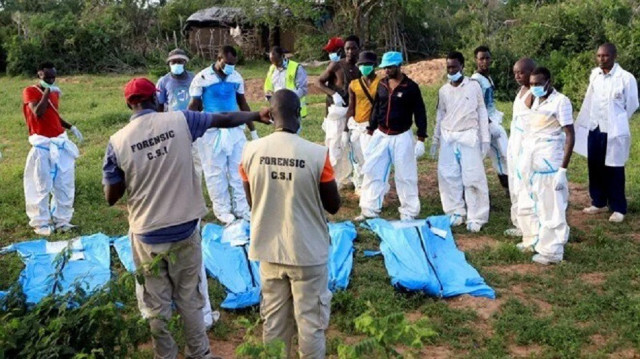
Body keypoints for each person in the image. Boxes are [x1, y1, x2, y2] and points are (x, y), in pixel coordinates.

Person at [103, 77, 271, 359]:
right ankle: (200, 353)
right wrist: (255, 115)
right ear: (156, 100)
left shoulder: (117, 142)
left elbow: (111, 196)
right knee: (190, 298)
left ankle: (165, 354)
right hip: (184, 228)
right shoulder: (180, 121)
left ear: (128, 104)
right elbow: (224, 117)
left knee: (156, 304)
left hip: (147, 234)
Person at [239, 89, 341, 358]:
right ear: (298, 113)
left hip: (269, 251)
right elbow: (333, 205)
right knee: (310, 324)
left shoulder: (250, 151)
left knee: (273, 322)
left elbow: (253, 203)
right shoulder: (318, 154)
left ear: (270, 116)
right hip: (307, 253)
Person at [154, 48, 216, 328]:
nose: (177, 65)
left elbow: (198, 104)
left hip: (190, 128)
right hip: (170, 131)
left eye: (181, 62)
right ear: (168, 64)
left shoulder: (195, 79)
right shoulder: (163, 82)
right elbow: (159, 108)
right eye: (174, 62)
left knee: (195, 166)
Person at [188, 45, 258, 224]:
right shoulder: (202, 78)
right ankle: (222, 210)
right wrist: (188, 131)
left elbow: (243, 105)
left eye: (234, 64)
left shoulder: (236, 77)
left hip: (234, 129)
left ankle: (242, 208)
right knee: (214, 171)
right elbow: (193, 108)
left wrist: (253, 131)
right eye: (227, 63)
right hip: (211, 132)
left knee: (239, 169)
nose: (230, 67)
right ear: (218, 59)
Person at [356, 51, 427, 221]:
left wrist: (421, 138)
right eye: (385, 68)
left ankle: (409, 211)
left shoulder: (410, 88)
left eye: (390, 67)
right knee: (374, 171)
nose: (387, 71)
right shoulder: (382, 85)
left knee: (405, 175)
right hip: (381, 134)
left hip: (401, 136)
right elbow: (376, 108)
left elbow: (420, 112)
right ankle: (369, 208)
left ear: (399, 66)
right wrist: (371, 129)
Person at [516, 67, 575, 265]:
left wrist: (562, 170)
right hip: (533, 160)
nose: (534, 87)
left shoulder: (561, 102)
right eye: (532, 84)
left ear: (549, 82)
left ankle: (552, 252)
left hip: (550, 163)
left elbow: (569, 135)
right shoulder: (535, 100)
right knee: (536, 202)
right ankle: (535, 240)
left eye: (538, 84)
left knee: (552, 206)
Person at [576, 43, 638, 223]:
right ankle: (599, 202)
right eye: (598, 56)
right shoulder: (595, 75)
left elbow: (631, 104)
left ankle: (618, 207)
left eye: (605, 56)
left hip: (614, 130)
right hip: (595, 127)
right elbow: (590, 99)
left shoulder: (625, 78)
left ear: (614, 56)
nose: (601, 59)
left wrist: (617, 120)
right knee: (594, 165)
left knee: (614, 167)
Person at [22, 61, 84, 236]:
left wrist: (70, 127)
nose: (50, 79)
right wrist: (47, 91)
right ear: (39, 74)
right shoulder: (30, 91)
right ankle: (40, 223)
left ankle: (62, 220)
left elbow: (53, 116)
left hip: (59, 142)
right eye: (47, 76)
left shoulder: (54, 93)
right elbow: (38, 113)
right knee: (41, 185)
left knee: (64, 183)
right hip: (42, 146)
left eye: (53, 76)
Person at [431, 51, 490, 232]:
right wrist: (435, 139)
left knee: (472, 176)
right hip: (449, 136)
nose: (451, 70)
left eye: (454, 67)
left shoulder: (473, 86)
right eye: (448, 67)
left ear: (462, 67)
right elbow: (440, 114)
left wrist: (485, 139)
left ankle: (476, 216)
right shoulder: (443, 90)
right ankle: (455, 211)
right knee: (448, 176)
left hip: (468, 136)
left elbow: (481, 111)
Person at [316, 35, 361, 189]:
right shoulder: (336, 66)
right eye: (347, 48)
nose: (350, 51)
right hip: (334, 113)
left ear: (358, 49)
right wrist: (333, 93)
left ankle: (343, 177)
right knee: (334, 146)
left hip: (349, 113)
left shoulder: (357, 70)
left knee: (348, 146)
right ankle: (329, 182)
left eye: (353, 48)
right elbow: (318, 82)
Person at [471, 46, 510, 191]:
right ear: (476, 60)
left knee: (501, 154)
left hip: (492, 119)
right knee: (495, 154)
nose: (485, 61)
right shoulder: (476, 80)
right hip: (485, 123)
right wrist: (488, 124)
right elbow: (477, 105)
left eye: (487, 58)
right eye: (481, 58)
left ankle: (508, 187)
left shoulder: (487, 77)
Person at [504, 58, 536, 237]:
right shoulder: (522, 90)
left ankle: (529, 226)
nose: (517, 76)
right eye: (515, 72)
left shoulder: (534, 93)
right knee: (514, 184)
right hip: (514, 143)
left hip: (525, 145)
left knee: (525, 185)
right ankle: (518, 223)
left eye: (521, 72)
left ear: (532, 72)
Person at [345, 51, 380, 193]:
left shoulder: (382, 83)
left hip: (374, 127)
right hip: (357, 126)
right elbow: (351, 106)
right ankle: (359, 185)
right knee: (357, 158)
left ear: (374, 65)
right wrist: (344, 129)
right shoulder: (354, 84)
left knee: (373, 158)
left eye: (368, 64)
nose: (365, 67)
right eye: (362, 64)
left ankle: (373, 186)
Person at [264, 46, 308, 118]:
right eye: (273, 62)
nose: (276, 65)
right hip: (278, 106)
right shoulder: (272, 68)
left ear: (283, 56)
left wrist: (287, 98)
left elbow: (303, 89)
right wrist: (269, 94)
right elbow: (268, 85)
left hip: (293, 107)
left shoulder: (296, 68)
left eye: (277, 61)